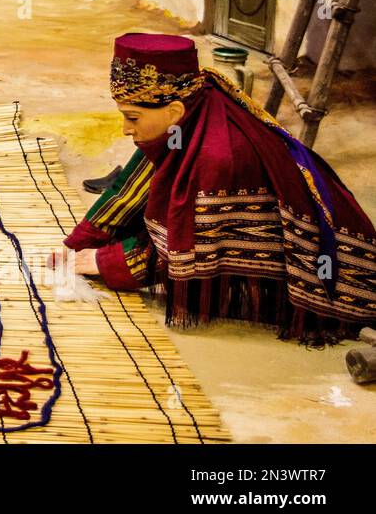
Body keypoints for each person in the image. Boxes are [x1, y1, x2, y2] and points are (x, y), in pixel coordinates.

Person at [61, 33, 376, 343]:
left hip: (343, 281)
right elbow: (132, 185)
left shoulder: (216, 159)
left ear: (173, 113)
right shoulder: (190, 114)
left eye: (132, 117)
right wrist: (80, 241)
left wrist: (107, 262)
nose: (126, 129)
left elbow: (181, 248)